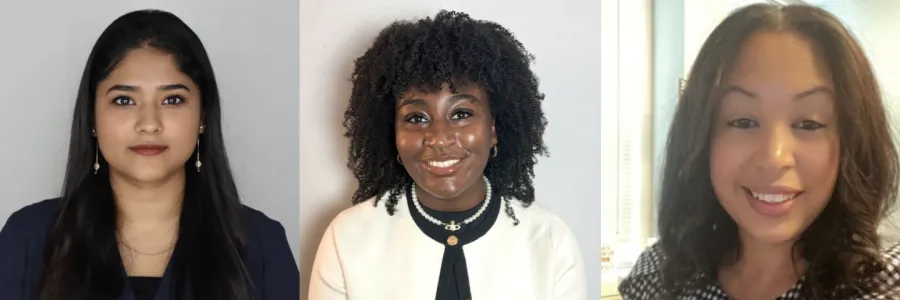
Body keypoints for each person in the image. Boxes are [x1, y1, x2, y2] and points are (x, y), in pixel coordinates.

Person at [0, 10, 298, 300]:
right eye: (124, 100)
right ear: (92, 118)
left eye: (172, 99)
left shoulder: (262, 245)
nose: (149, 124)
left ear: (203, 116)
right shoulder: (27, 239)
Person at [618, 3, 900, 299]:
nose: (774, 157)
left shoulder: (883, 286)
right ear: (701, 138)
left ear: (851, 144)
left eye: (808, 123)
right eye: (743, 121)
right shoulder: (661, 275)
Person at [308, 10, 587, 300]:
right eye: (416, 118)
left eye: (462, 113)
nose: (439, 138)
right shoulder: (347, 238)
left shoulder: (551, 242)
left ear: (493, 129)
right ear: (391, 134)